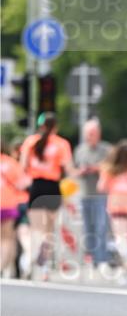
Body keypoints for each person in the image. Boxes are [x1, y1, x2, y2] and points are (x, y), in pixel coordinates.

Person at [20, 113, 75, 280]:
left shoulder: (31, 142)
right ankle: (44, 267)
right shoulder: (62, 144)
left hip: (36, 186)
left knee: (36, 229)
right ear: (56, 127)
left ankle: (30, 258)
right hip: (52, 187)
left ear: (41, 126)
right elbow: (69, 168)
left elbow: (23, 166)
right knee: (49, 230)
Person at [97, 140, 127, 285]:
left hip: (117, 205)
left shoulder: (110, 168)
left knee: (121, 237)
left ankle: (122, 258)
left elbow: (101, 187)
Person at [73, 117, 111, 267]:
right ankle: (91, 258)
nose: (91, 136)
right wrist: (81, 171)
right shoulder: (79, 150)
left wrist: (96, 168)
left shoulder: (107, 149)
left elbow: (110, 168)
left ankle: (102, 259)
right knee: (88, 227)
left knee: (101, 227)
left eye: (93, 133)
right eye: (88, 133)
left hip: (101, 195)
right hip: (84, 194)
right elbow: (73, 170)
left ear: (98, 133)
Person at [0, 138, 31, 277]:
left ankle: (9, 269)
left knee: (7, 237)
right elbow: (23, 183)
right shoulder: (9, 162)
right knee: (8, 237)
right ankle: (4, 267)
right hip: (9, 203)